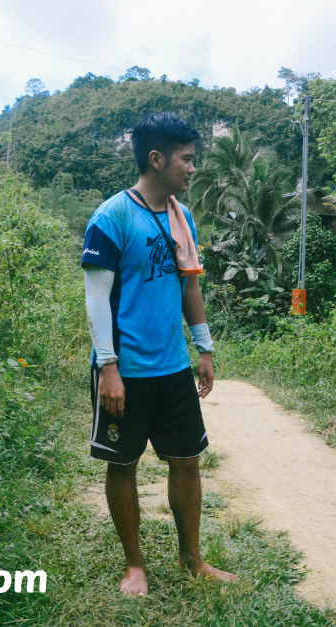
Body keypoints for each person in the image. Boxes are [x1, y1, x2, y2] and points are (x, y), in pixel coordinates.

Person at [81, 112, 237, 597]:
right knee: (122, 464)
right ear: (157, 158)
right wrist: (108, 368)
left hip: (172, 368)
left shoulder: (181, 217)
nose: (192, 168)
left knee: (187, 460)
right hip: (124, 371)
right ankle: (135, 565)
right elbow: (96, 299)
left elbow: (189, 286)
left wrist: (204, 347)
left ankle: (193, 559)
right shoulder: (111, 218)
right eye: (186, 159)